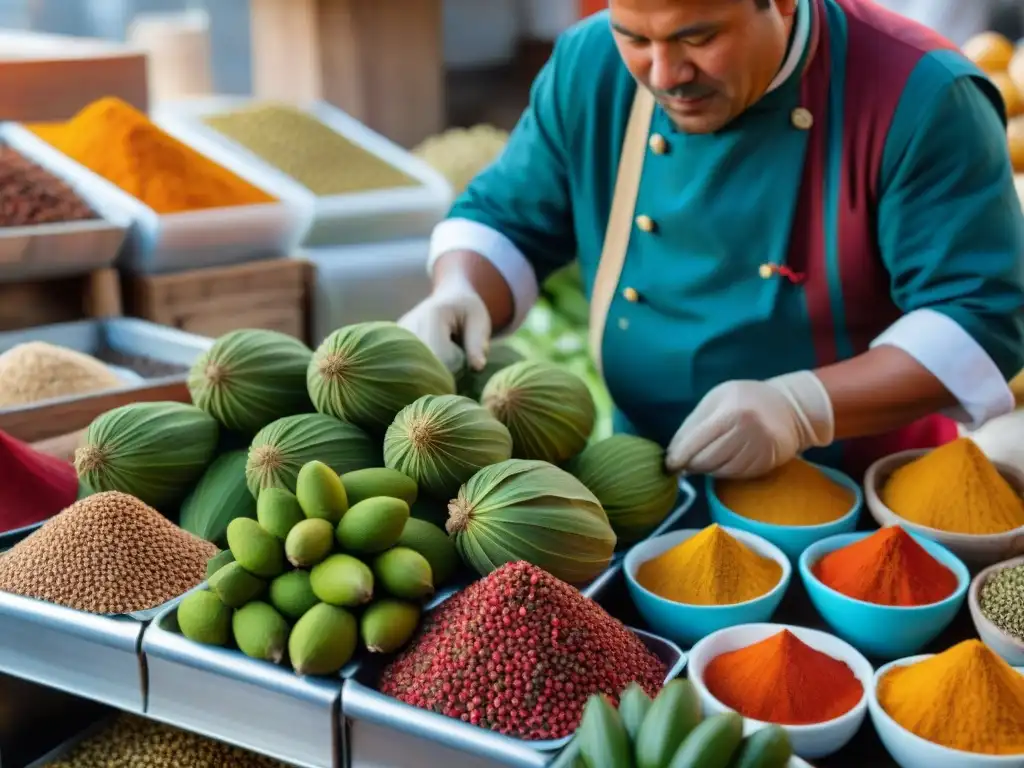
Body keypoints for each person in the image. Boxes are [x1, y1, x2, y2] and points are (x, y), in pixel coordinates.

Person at [400, 0, 1024, 479]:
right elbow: (508, 214)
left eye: (698, 38)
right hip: (642, 478)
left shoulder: (923, 95)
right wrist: (461, 289)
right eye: (635, 38)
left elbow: (980, 317)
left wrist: (802, 408)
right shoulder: (588, 65)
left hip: (860, 495)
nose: (665, 74)